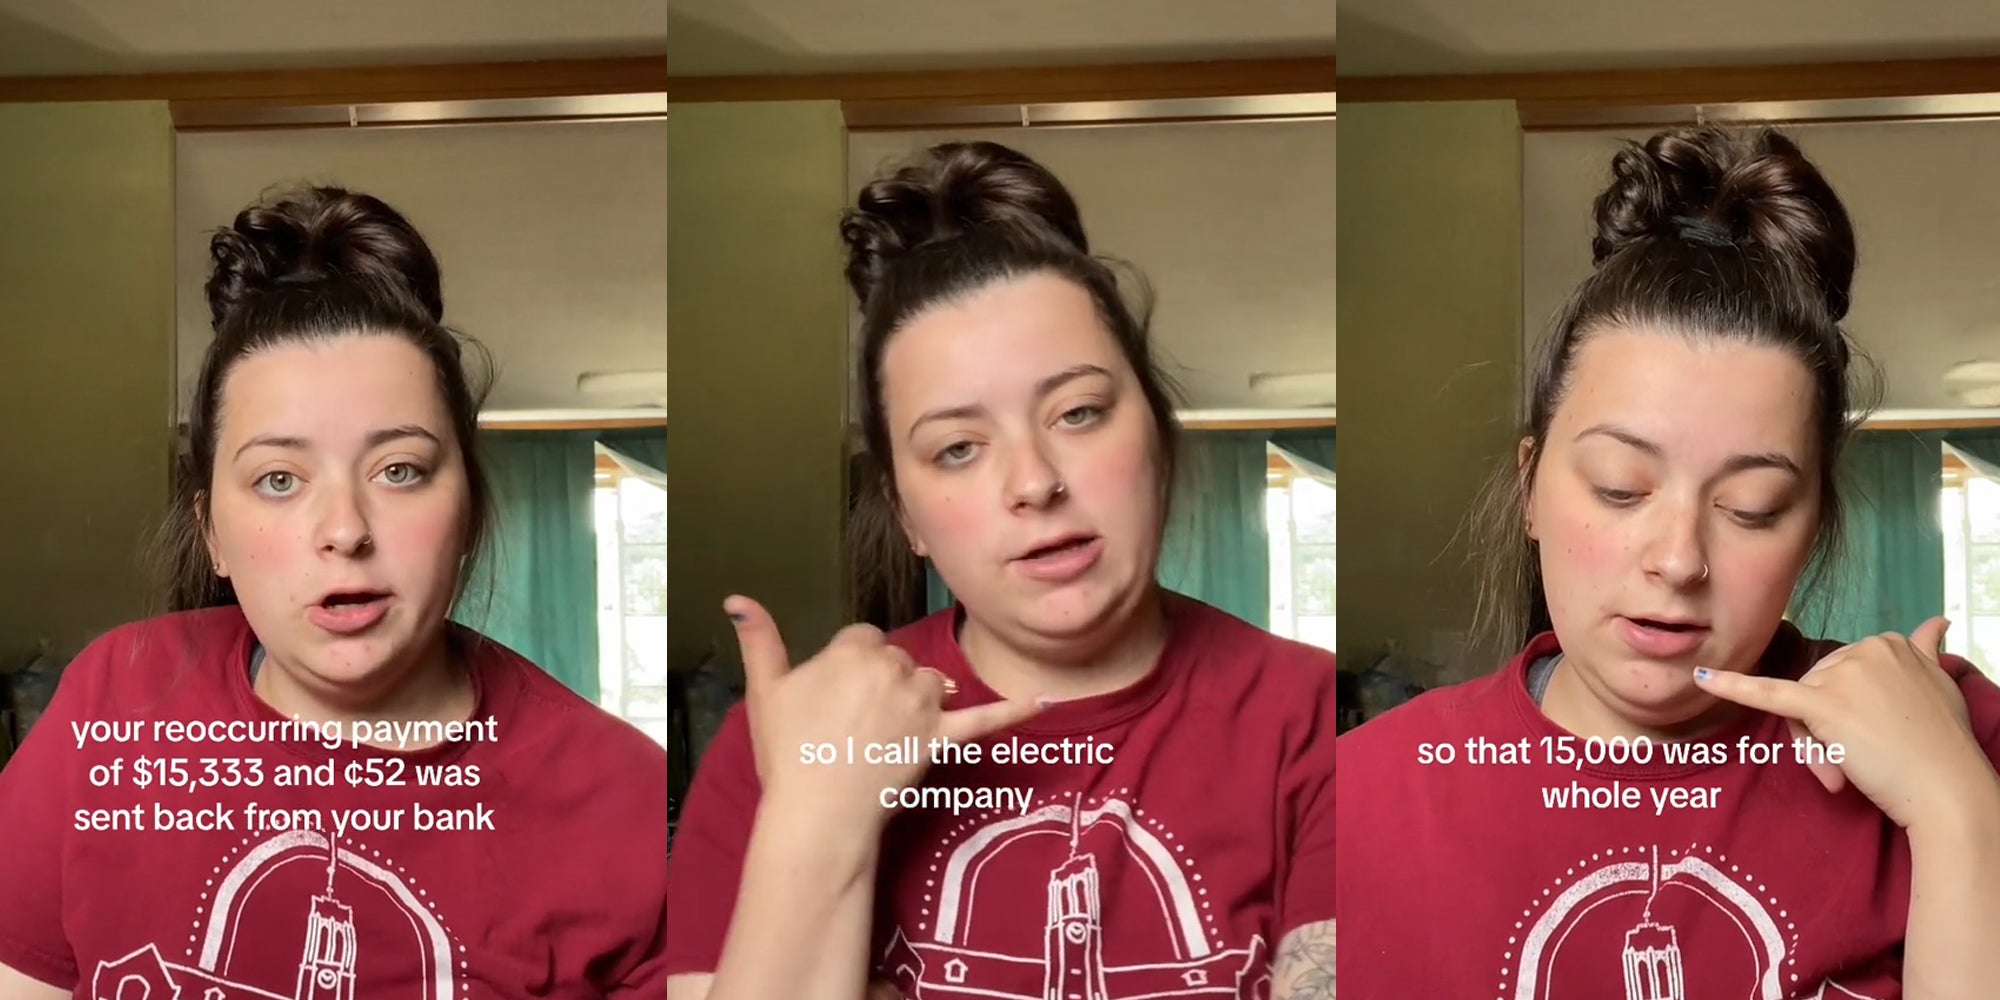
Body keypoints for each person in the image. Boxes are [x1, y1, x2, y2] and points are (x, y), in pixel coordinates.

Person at [663, 141, 1338, 1000]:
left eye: (1080, 411)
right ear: (905, 511)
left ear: (1159, 435)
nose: (1034, 482)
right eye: (957, 449)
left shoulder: (1316, 724)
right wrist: (817, 819)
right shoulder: (788, 741)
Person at [1338, 125, 2000, 997]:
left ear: (1814, 525)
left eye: (1750, 509)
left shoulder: (1955, 733)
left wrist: (1960, 814)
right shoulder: (1363, 797)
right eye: (1621, 487)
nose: (1679, 558)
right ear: (1532, 488)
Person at [0, 187, 668, 998]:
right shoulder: (117, 695)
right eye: (279, 479)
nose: (344, 528)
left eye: (399, 471)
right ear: (211, 531)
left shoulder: (621, 795)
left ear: (468, 506)